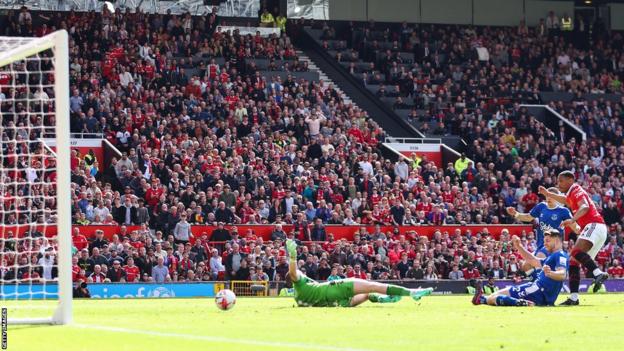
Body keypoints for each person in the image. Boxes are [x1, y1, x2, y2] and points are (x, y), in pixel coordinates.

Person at [286, 239, 432, 307]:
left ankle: (381, 299)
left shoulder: (298, 298)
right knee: (373, 285)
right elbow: (293, 273)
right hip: (334, 288)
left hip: (336, 303)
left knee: (368, 294)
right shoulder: (299, 282)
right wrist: (292, 257)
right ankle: (412, 293)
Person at [539, 171, 609, 305]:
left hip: (594, 225)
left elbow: (585, 207)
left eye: (561, 181)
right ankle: (574, 298)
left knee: (575, 252)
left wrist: (571, 220)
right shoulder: (571, 194)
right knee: (573, 262)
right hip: (596, 229)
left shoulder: (577, 190)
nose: (558, 184)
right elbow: (564, 200)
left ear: (570, 180)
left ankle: (598, 273)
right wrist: (547, 194)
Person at [472, 230, 568, 307]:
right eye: (544, 241)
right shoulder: (552, 256)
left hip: (537, 290)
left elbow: (562, 274)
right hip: (536, 290)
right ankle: (481, 299)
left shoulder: (560, 255)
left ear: (556, 240)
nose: (545, 244)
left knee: (493, 298)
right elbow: (532, 260)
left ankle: (520, 303)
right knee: (493, 296)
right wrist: (519, 246)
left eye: (547, 241)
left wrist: (550, 273)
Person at [506, 187, 576, 279]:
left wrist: (579, 229)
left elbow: (574, 225)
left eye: (551, 196)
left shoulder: (563, 211)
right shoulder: (541, 206)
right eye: (547, 195)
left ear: (556, 197)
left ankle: (539, 283)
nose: (549, 198)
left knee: (539, 257)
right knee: (525, 266)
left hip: (553, 246)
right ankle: (535, 281)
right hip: (540, 244)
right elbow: (528, 217)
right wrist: (516, 214)